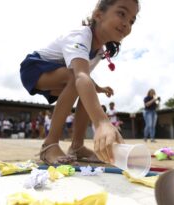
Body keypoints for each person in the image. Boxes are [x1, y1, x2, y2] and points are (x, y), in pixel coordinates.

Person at [19, 0, 139, 165]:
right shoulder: (80, 35)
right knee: (77, 80)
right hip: (34, 68)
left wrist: (98, 88)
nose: (127, 23)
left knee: (85, 91)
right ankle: (49, 145)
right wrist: (102, 122)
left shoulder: (99, 51)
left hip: (63, 73)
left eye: (132, 20)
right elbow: (80, 75)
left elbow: (84, 75)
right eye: (122, 14)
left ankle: (77, 146)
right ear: (98, 14)